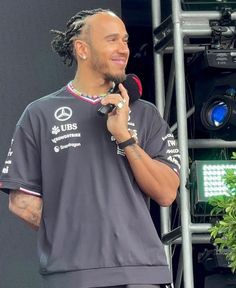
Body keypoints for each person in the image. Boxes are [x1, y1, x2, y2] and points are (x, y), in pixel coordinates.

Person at [0, 8, 180, 288]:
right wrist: (76, 237)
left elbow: (167, 192)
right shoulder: (40, 113)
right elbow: (22, 201)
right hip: (72, 276)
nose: (124, 49)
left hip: (141, 274)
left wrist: (124, 136)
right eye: (112, 40)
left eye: (126, 40)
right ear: (82, 48)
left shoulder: (145, 113)